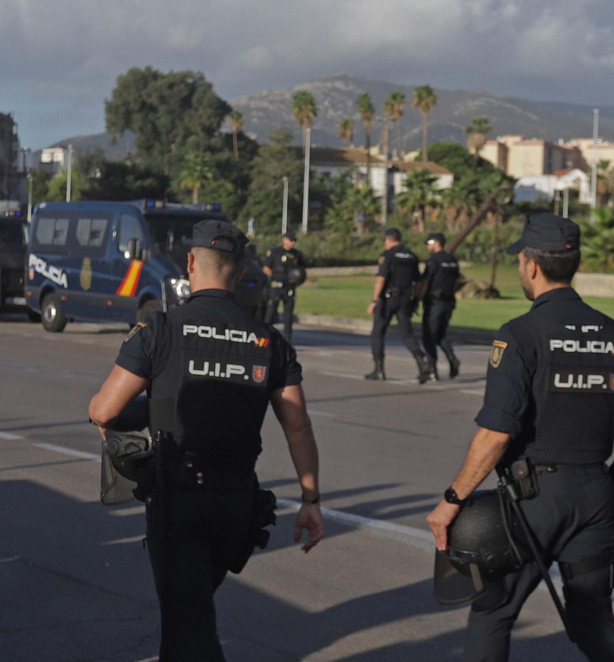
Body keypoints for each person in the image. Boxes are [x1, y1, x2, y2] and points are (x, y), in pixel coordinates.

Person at [88, 220, 324, 662]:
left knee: (190, 629)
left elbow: (105, 410)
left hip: (180, 501)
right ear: (237, 270)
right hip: (236, 504)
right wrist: (311, 499)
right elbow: (298, 426)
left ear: (191, 262)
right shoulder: (269, 341)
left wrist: (122, 412)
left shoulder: (160, 329)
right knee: (187, 618)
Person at [427, 213, 614, 662]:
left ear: (530, 266)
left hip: (537, 499)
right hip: (598, 493)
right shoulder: (611, 334)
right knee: (593, 618)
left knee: (494, 611)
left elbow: (497, 433)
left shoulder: (520, 334)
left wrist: (453, 498)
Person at [366, 228, 432, 382]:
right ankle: (422, 362)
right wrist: (416, 299)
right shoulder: (411, 256)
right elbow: (419, 281)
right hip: (405, 299)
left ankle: (379, 369)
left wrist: (374, 301)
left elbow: (381, 279)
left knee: (378, 332)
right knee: (407, 334)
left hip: (388, 298)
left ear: (387, 240)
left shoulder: (387, 256)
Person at [421, 232, 463, 379]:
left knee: (429, 336)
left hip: (435, 302)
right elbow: (459, 280)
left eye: (429, 243)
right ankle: (452, 359)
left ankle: (432, 369)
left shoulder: (434, 260)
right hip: (449, 302)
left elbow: (426, 281)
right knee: (440, 334)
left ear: (436, 243)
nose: (428, 247)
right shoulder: (452, 260)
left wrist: (419, 297)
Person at [261, 230, 308, 342]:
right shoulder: (275, 252)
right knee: (270, 312)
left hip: (289, 287)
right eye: (290, 240)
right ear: (284, 240)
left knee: (288, 314)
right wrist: (274, 278)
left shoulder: (297, 255)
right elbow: (266, 268)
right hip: (276, 286)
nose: (292, 243)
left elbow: (301, 270)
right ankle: (265, 336)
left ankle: (287, 338)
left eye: (294, 241)